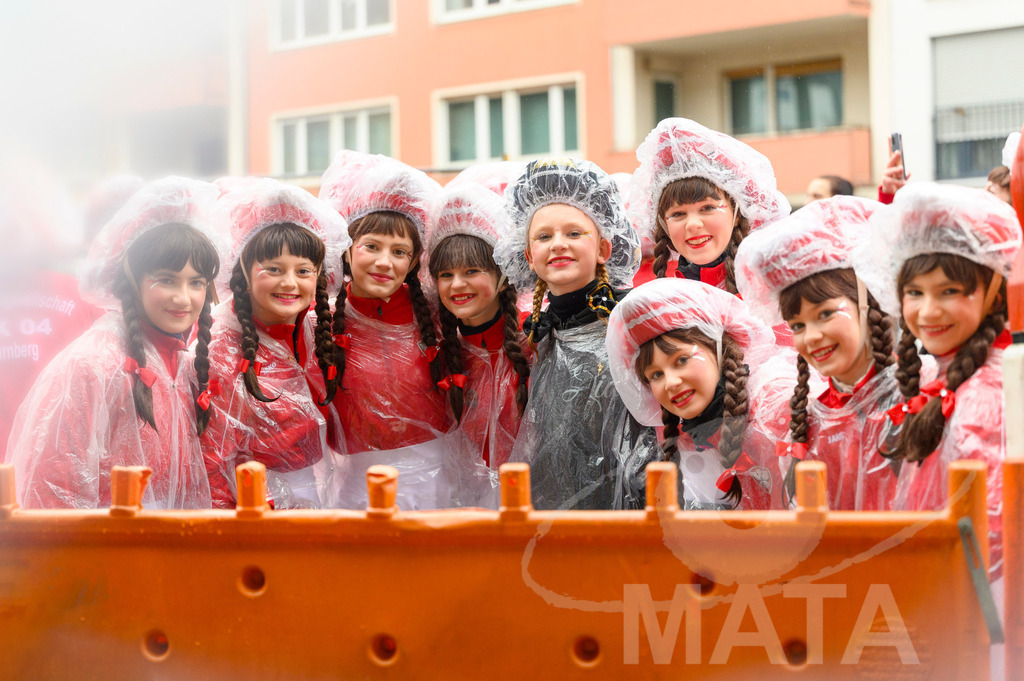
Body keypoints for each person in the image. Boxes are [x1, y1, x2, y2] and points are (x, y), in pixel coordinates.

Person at [7, 177, 220, 509]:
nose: (183, 298)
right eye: (166, 280)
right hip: (107, 542)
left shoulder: (183, 363)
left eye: (196, 282)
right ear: (132, 282)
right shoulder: (94, 365)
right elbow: (50, 493)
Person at [853, 182, 1021, 581]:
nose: (928, 311)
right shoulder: (939, 376)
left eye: (949, 291)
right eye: (915, 292)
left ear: (995, 294)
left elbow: (989, 539)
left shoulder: (985, 395)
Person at [493, 157, 659, 510]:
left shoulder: (632, 327)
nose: (558, 244)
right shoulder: (540, 336)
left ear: (603, 249)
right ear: (529, 256)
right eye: (544, 236)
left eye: (573, 233)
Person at [736, 196, 916, 510]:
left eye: (825, 314)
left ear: (867, 305)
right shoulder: (811, 422)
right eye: (798, 325)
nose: (812, 337)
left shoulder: (923, 396)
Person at [201, 178, 348, 509]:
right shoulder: (221, 349)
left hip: (314, 495)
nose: (289, 282)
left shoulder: (314, 329)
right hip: (251, 505)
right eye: (274, 269)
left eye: (303, 271)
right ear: (244, 271)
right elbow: (211, 459)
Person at [319, 151, 453, 510]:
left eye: (399, 251)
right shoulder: (319, 323)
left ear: (414, 261)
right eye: (372, 246)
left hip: (437, 490)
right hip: (357, 494)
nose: (384, 262)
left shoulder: (439, 315)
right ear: (347, 250)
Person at [606, 278, 794, 510]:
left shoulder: (776, 409)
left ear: (719, 350)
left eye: (682, 360)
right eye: (656, 375)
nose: (671, 383)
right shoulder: (691, 436)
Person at [426, 183, 531, 506]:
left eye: (472, 271)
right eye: (446, 274)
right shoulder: (441, 356)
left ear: (502, 276)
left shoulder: (537, 341)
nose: (457, 285)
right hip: (466, 511)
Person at [627, 117, 790, 294]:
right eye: (678, 214)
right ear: (663, 224)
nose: (692, 224)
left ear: (737, 213)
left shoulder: (774, 294)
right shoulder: (654, 300)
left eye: (708, 208)